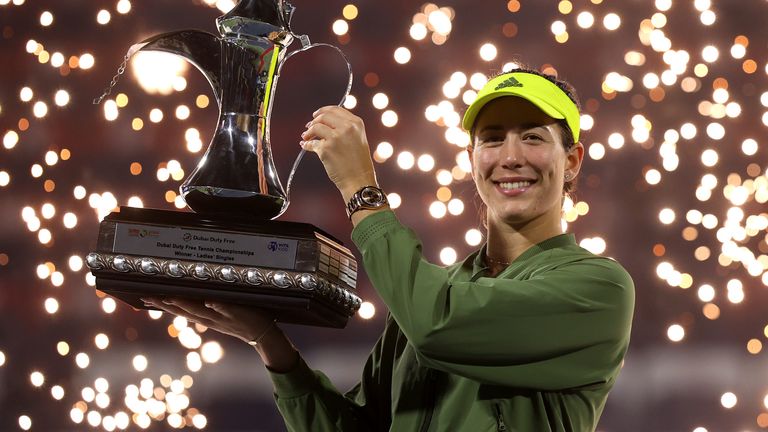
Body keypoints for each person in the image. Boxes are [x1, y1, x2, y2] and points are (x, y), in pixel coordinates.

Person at [144, 68, 635, 431]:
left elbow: (439, 326)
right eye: (491, 139)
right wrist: (270, 344)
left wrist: (361, 188)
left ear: (571, 161)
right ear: (472, 160)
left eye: (532, 137)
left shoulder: (598, 289)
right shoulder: (426, 293)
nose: (510, 157)